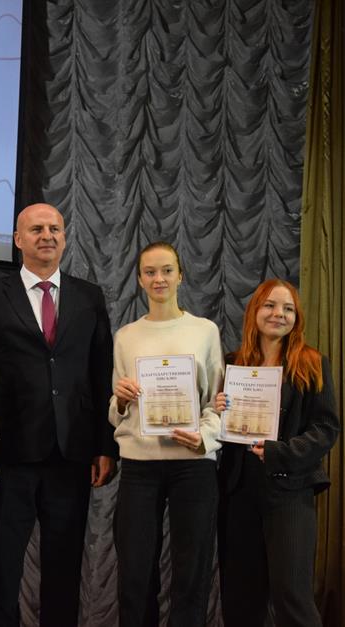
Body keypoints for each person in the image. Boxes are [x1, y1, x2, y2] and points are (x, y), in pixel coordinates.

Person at [0, 202, 116, 627]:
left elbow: (101, 372)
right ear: (18, 239)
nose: (47, 236)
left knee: (64, 570)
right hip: (8, 454)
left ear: (64, 238)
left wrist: (105, 446)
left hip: (72, 453)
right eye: (36, 229)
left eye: (55, 229)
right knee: (2, 568)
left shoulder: (89, 296)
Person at [109, 241, 224, 627]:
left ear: (180, 276)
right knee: (135, 572)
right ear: (140, 280)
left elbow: (218, 402)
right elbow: (116, 410)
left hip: (193, 464)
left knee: (191, 572)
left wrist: (204, 437)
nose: (159, 278)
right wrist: (120, 400)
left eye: (167, 270)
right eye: (150, 272)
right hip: (139, 465)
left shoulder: (205, 331)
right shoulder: (126, 336)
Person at [215, 279, 339, 627]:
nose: (278, 314)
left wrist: (281, 452)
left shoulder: (312, 363)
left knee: (292, 597)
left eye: (288, 309)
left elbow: (326, 428)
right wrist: (217, 408)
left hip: (289, 492)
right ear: (255, 311)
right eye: (270, 305)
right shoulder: (232, 364)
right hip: (238, 492)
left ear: (296, 318)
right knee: (240, 599)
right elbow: (217, 431)